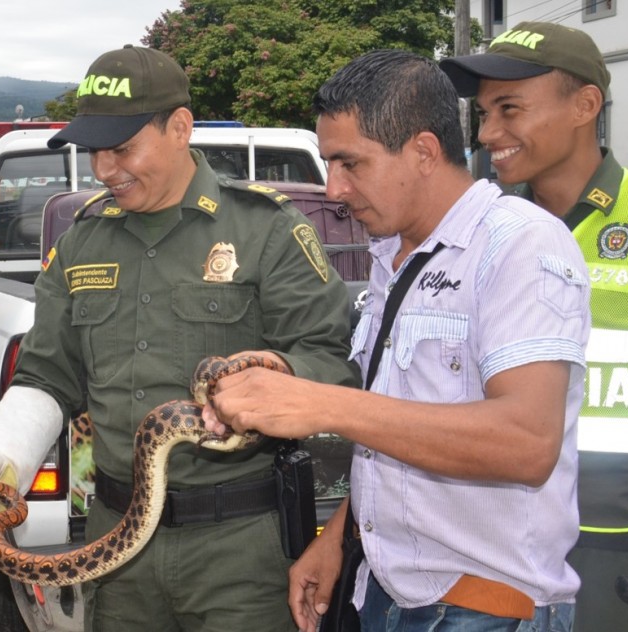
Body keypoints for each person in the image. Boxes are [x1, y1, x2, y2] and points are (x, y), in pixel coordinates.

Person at [0, 45, 360, 631]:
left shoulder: (266, 230)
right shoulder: (83, 243)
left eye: (122, 148)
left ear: (180, 128)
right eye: (94, 153)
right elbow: (47, 378)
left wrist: (273, 378)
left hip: (239, 547)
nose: (105, 170)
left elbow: (331, 362)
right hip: (115, 543)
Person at [203, 49, 591, 632]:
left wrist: (320, 403)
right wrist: (338, 538)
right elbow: (402, 429)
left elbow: (529, 443)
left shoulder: (521, 243)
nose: (332, 188)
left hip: (483, 607)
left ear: (424, 152)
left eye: (349, 163)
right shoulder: (393, 253)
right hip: (388, 592)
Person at [439, 21, 628, 630]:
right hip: (491, 544)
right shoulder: (473, 228)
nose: (489, 133)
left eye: (510, 109)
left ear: (586, 105)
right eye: (484, 113)